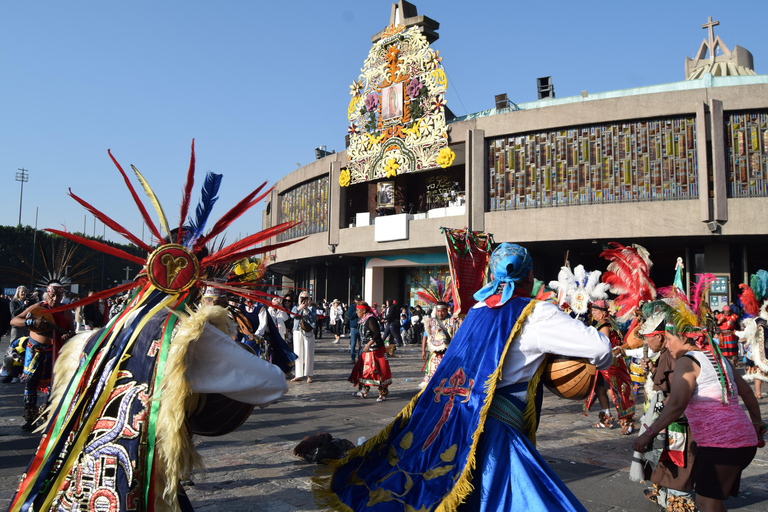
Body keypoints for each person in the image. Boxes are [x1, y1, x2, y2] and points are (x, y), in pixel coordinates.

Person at [319, 243, 612, 511]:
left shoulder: (479, 309)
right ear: (529, 274)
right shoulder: (537, 314)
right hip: (499, 425)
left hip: (458, 417)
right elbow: (601, 348)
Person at [632, 300, 762, 512]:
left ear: (683, 337)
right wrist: (757, 424)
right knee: (713, 501)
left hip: (722, 445)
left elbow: (676, 405)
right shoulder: (719, 358)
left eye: (670, 339)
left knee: (705, 503)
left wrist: (648, 434)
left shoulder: (687, 361)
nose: (667, 344)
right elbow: (747, 393)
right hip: (744, 442)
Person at [628, 305, 697, 510]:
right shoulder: (667, 354)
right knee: (664, 459)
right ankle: (665, 494)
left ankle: (678, 500)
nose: (646, 341)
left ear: (660, 337)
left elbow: (678, 396)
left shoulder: (676, 355)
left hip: (677, 420)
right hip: (667, 417)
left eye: (649, 337)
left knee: (677, 461)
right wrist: (653, 369)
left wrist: (653, 428)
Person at [9, 281, 76, 431]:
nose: (54, 300)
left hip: (55, 352)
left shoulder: (65, 311)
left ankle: (47, 414)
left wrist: (68, 336)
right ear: (47, 294)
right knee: (30, 384)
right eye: (52, 296)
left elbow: (71, 331)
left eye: (58, 297)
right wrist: (33, 322)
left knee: (54, 385)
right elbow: (14, 320)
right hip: (35, 352)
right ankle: (30, 417)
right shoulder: (39, 307)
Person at [585, 299, 635, 434]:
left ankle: (627, 421)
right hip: (603, 365)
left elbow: (603, 345)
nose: (593, 313)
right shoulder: (606, 322)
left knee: (614, 392)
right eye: (592, 311)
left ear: (602, 312)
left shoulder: (605, 324)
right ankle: (606, 418)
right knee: (600, 390)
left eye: (595, 311)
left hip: (610, 365)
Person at [348, 301, 392, 401]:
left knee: (378, 370)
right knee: (363, 370)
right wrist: (362, 342)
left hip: (375, 349)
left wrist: (368, 344)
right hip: (366, 350)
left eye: (358, 310)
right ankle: (364, 390)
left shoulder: (370, 319)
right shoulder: (363, 320)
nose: (357, 312)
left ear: (363, 311)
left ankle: (382, 392)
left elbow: (376, 334)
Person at [420, 301, 459, 388]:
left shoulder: (453, 321)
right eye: (438, 311)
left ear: (446, 310)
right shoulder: (430, 321)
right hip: (434, 355)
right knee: (432, 378)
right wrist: (423, 350)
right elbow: (425, 336)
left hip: (448, 354)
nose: (440, 313)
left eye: (442, 311)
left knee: (447, 377)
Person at [291, 292, 316, 383]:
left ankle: (309, 374)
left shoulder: (312, 308)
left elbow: (314, 319)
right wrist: (299, 309)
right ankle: (298, 374)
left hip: (308, 331)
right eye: (302, 297)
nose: (304, 299)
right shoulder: (295, 307)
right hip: (297, 330)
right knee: (297, 352)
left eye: (306, 298)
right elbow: (292, 315)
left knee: (308, 352)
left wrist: (307, 310)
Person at [348, 296, 361, 363]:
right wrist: (356, 312)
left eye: (360, 300)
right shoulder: (352, 307)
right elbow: (349, 316)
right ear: (355, 300)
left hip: (361, 327)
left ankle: (360, 358)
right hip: (354, 327)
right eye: (357, 300)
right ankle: (353, 357)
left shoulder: (362, 307)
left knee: (361, 343)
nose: (358, 302)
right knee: (353, 343)